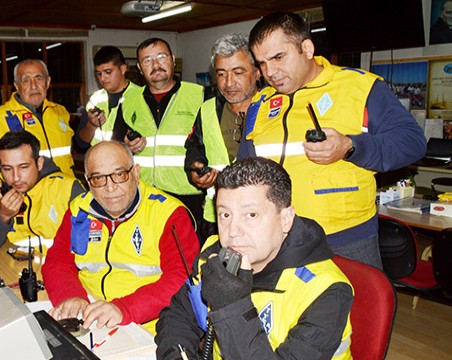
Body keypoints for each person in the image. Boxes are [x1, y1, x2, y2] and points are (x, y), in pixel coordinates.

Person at [239, 12, 427, 268]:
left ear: (306, 48)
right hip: (280, 239)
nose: (270, 72)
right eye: (262, 63)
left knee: (363, 307)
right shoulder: (260, 104)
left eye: (278, 57)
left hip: (346, 239)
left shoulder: (361, 87)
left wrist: (350, 147)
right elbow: (245, 168)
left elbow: (412, 142)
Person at [155, 157, 353, 360]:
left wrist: (231, 306)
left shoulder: (328, 291)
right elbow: (176, 317)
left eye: (251, 215)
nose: (233, 232)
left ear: (286, 219)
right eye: (225, 215)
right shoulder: (214, 255)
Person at [42, 141, 199, 333]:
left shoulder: (169, 214)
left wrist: (124, 309)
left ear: (135, 173)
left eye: (119, 175)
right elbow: (57, 261)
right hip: (89, 318)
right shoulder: (79, 209)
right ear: (87, 180)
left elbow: (182, 280)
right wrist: (70, 296)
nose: (110, 188)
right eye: (98, 178)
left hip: (148, 326)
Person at [111, 38, 205, 227]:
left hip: (188, 197)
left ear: (172, 59)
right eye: (147, 60)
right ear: (139, 67)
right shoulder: (128, 102)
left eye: (161, 57)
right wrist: (127, 147)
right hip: (143, 196)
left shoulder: (200, 95)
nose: (155, 65)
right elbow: (115, 149)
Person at [184, 33, 260, 239]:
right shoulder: (208, 109)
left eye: (238, 72)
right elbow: (194, 148)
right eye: (221, 74)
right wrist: (196, 169)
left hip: (262, 217)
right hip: (217, 217)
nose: (228, 82)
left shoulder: (274, 108)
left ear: (257, 72)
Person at [0, 130, 84, 253]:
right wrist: (3, 216)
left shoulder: (67, 188)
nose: (16, 177)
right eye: (7, 169)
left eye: (23, 167)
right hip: (19, 267)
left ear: (39, 163)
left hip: (60, 266)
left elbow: (90, 242)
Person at [0, 59, 75, 176]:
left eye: (38, 78)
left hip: (66, 189)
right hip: (25, 193)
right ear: (17, 86)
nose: (33, 86)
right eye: (25, 80)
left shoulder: (61, 112)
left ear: (48, 82)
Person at [74, 46, 142, 150]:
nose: (103, 78)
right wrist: (91, 126)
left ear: (123, 69)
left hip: (129, 163)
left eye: (108, 72)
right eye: (99, 73)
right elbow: (81, 143)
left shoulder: (140, 96)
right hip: (99, 162)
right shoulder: (95, 99)